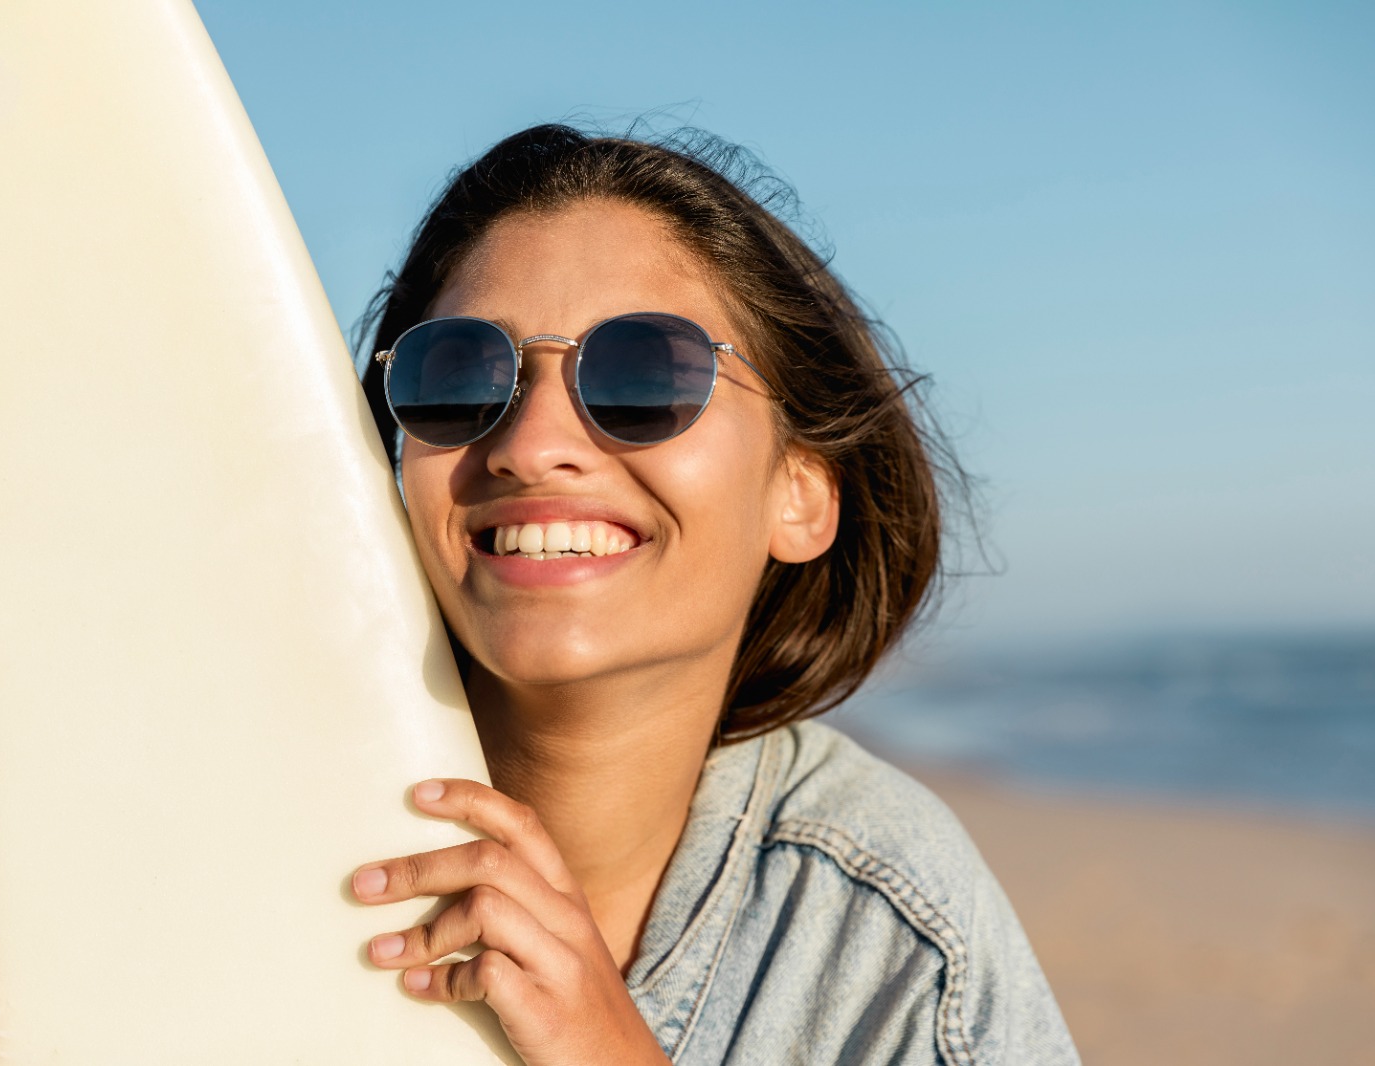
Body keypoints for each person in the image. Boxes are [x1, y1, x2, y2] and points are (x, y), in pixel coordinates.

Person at [349, 123, 1078, 1066]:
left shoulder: (882, 932)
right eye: (456, 377)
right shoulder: (238, 804)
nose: (531, 445)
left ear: (800, 492)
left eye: (642, 373)